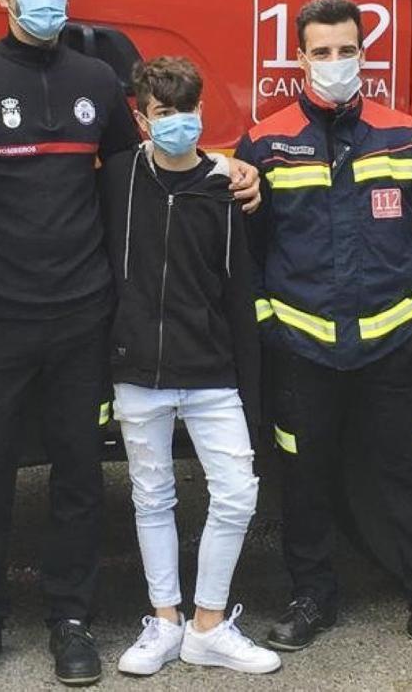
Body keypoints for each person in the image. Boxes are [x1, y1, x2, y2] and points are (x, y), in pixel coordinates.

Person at [0, 0, 260, 688]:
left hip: (81, 319)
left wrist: (234, 171)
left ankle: (70, 620)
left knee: (78, 475)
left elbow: (145, 171)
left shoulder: (98, 83)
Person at [237, 0, 412, 665]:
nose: (334, 63)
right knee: (305, 478)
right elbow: (247, 249)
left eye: (345, 50)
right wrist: (269, 325)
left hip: (393, 350)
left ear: (362, 53)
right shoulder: (265, 141)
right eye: (320, 52)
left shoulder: (404, 135)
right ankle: (311, 597)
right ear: (299, 58)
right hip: (302, 349)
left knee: (407, 475)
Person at [98, 57, 280, 677]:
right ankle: (164, 620)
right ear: (141, 118)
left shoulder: (228, 186)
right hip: (137, 368)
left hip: (211, 368)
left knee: (237, 492)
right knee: (151, 495)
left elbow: (243, 281)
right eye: (164, 113)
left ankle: (208, 624)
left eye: (189, 110)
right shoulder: (118, 176)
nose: (179, 123)